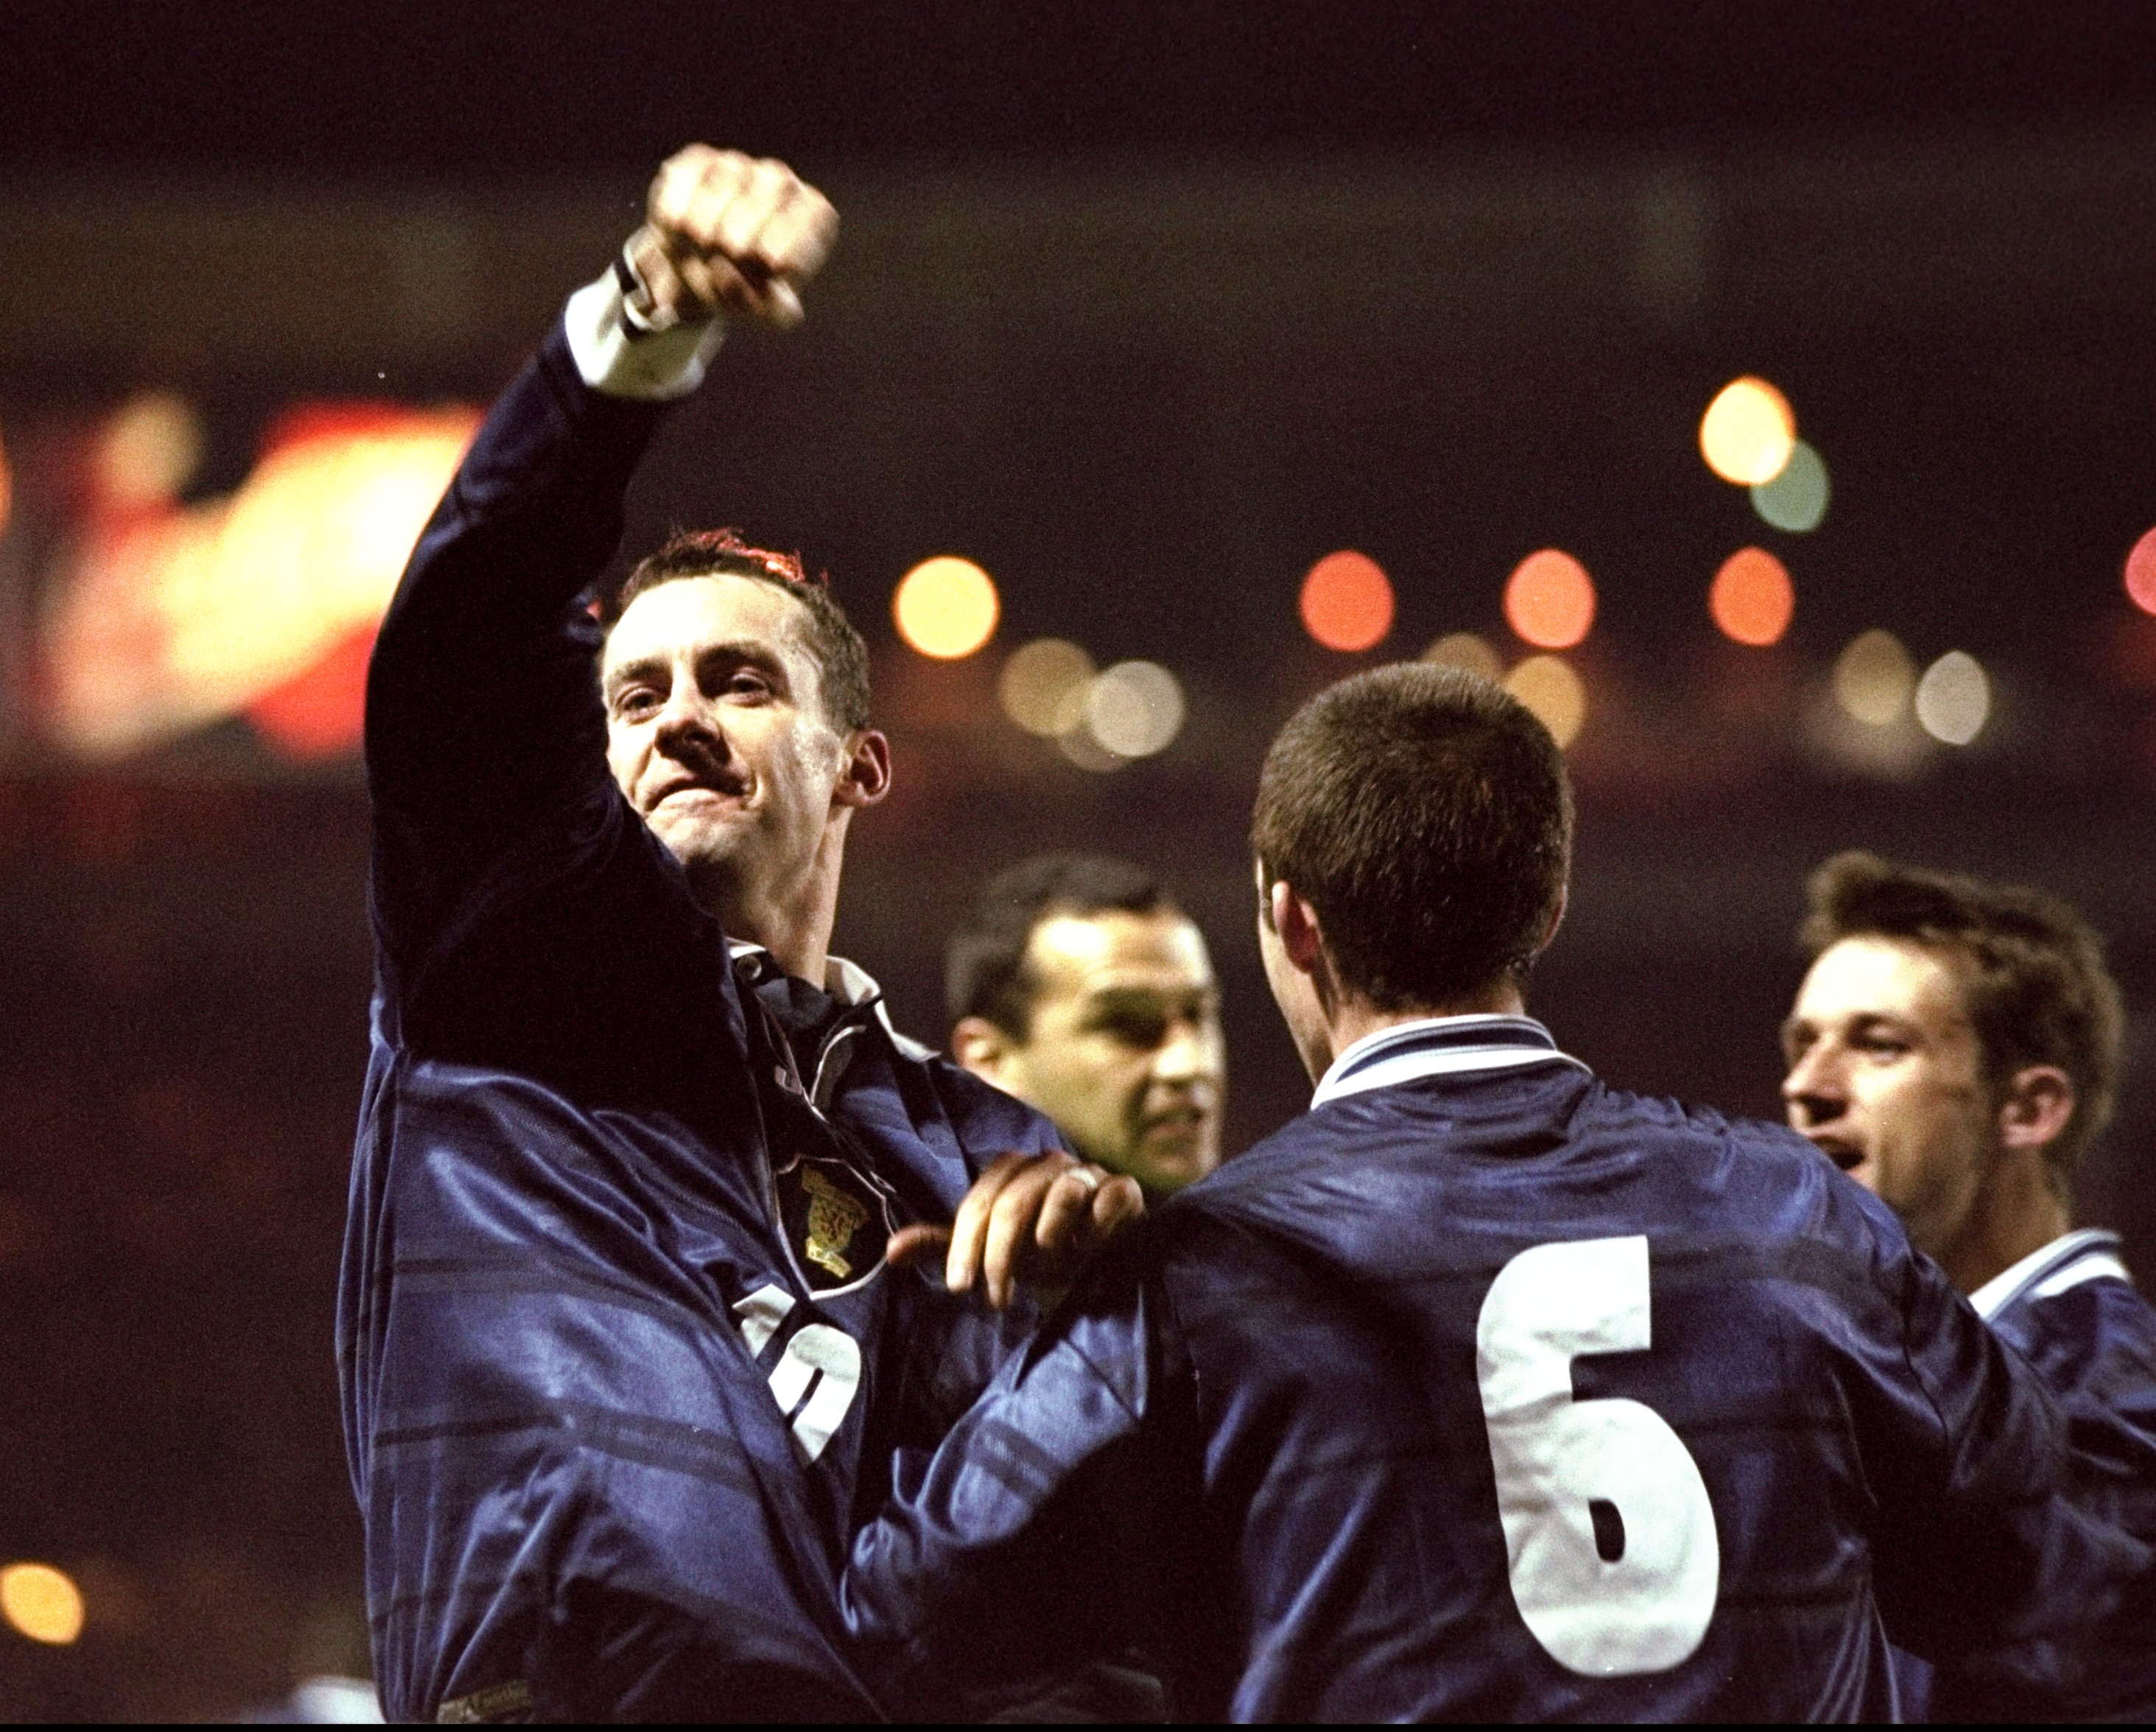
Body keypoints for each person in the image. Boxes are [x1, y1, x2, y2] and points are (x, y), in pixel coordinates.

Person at [842, 661, 2121, 1722]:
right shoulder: (1802, 1214)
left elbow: (911, 1623)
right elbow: (2014, 1560)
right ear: (1549, 903)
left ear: (1289, 924)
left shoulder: (1192, 1276)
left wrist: (1002, 1338)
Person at [338, 144, 1139, 1723]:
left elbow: (1029, 1590)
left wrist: (1111, 1323)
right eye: (636, 697)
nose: (681, 722)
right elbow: (466, 648)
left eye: (740, 683)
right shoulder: (505, 974)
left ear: (861, 766)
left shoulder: (982, 1156)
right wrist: (640, 327)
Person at [1781, 851, 2156, 1719]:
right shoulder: (1881, 1375)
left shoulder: (2117, 1406)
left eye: (1879, 1044)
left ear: (2028, 1110)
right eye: (1802, 1045)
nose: (1807, 1088)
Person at [946, 853, 1225, 1197]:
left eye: (1197, 1016)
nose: (1188, 1064)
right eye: (1125, 1024)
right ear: (991, 1059)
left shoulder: (1283, 1242)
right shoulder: (923, 1243)